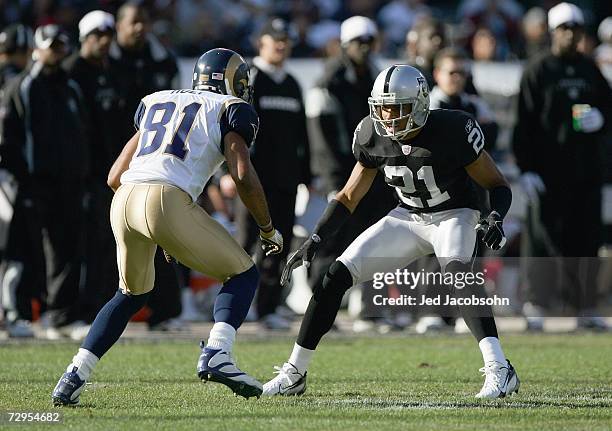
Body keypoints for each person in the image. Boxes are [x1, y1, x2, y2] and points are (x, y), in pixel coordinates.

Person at [263, 65, 520, 399]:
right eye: (382, 107)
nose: (388, 117)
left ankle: (500, 368)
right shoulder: (371, 133)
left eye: (397, 108)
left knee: (459, 278)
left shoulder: (452, 129)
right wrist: (316, 237)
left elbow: (497, 184)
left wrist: (495, 216)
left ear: (420, 104)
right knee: (333, 277)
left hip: (454, 214)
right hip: (406, 217)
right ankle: (295, 372)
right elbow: (348, 196)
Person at [51, 48, 284, 405]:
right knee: (243, 274)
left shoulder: (157, 101)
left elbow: (115, 175)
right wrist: (267, 228)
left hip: (124, 198)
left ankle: (73, 376)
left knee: (130, 295)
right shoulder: (229, 109)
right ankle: (218, 352)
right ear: (230, 81)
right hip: (166, 199)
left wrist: (155, 227)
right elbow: (242, 175)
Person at [513, 3, 611, 330]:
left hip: (586, 172)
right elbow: (523, 123)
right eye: (564, 28)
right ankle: (536, 302)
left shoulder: (589, 70)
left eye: (576, 29)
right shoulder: (538, 70)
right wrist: (526, 168)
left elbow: (607, 109)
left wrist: (602, 119)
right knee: (543, 240)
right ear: (553, 32)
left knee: (586, 240)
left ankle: (583, 305)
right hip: (547, 174)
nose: (570, 34)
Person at [0, 24, 90, 340]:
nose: (57, 51)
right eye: (51, 45)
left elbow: (81, 135)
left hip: (67, 184)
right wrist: (19, 178)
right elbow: (8, 138)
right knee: (23, 250)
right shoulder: (22, 86)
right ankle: (18, 314)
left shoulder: (71, 87)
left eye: (61, 45)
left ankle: (60, 316)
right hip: (30, 185)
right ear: (37, 48)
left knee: (66, 250)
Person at [305, 16, 397, 325]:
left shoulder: (375, 76)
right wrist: (332, 179)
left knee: (375, 239)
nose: (365, 48)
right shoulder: (329, 81)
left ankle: (370, 307)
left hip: (377, 173)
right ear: (345, 45)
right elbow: (321, 134)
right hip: (345, 176)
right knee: (333, 240)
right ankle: (319, 306)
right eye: (359, 42)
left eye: (369, 42)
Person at [109, 1, 184, 329]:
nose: (140, 28)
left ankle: (165, 312)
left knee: (163, 235)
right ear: (119, 25)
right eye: (133, 22)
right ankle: (108, 310)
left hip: (155, 163)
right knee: (112, 244)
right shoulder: (101, 63)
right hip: (111, 160)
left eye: (144, 22)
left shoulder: (162, 61)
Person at [234, 17, 311, 330]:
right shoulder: (249, 79)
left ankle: (268, 307)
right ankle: (234, 307)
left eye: (285, 39)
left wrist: (306, 174)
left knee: (279, 243)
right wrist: (229, 171)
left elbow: (301, 136)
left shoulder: (292, 83)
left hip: (285, 180)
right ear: (260, 42)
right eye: (274, 39)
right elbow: (233, 131)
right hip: (251, 177)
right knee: (243, 243)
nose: (281, 44)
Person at [63, 10, 127, 327]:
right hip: (81, 174)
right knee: (80, 244)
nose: (103, 42)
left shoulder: (114, 71)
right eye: (96, 36)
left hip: (112, 173)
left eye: (108, 36)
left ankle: (99, 309)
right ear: (84, 38)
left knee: (107, 242)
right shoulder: (71, 72)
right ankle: (76, 310)